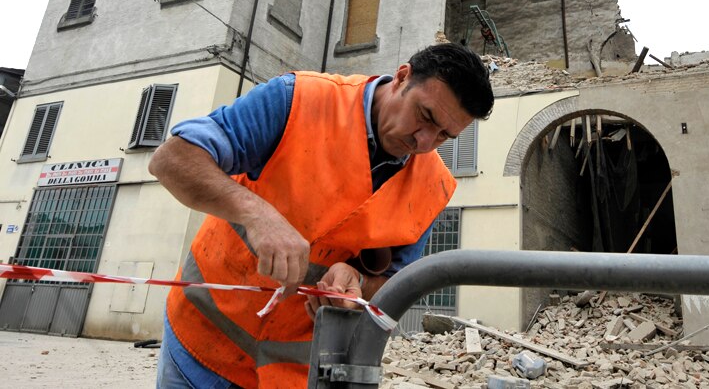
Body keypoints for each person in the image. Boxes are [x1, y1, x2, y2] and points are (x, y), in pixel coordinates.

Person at [149, 43, 494, 388]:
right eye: (425, 116)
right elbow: (173, 160)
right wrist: (257, 214)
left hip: (294, 372)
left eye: (445, 136)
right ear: (402, 78)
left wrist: (356, 284)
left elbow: (393, 282)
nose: (424, 141)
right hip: (199, 343)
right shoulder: (297, 99)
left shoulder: (433, 187)